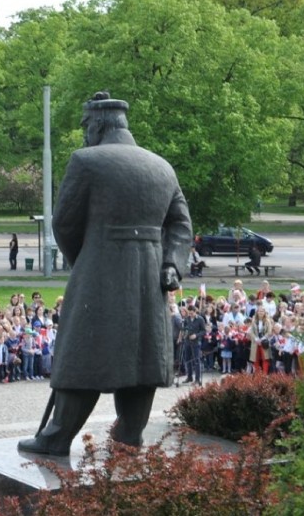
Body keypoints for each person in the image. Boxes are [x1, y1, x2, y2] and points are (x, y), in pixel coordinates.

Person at [18, 92, 192, 456]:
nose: (83, 133)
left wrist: (86, 261)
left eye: (85, 126)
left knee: (83, 355)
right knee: (142, 361)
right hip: (150, 280)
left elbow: (64, 223)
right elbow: (180, 225)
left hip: (99, 274)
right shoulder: (161, 166)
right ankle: (130, 435)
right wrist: (171, 264)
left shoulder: (86, 161)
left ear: (98, 124)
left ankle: (57, 437)